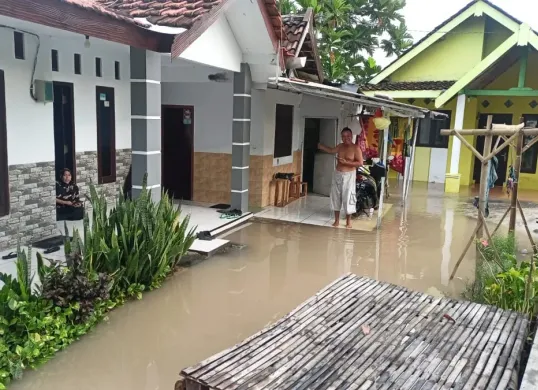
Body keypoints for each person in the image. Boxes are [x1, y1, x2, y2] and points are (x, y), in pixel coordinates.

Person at [318, 127, 364, 228]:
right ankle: (337, 221)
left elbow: (360, 163)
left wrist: (346, 162)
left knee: (348, 197)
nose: (346, 138)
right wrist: (321, 146)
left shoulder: (356, 148)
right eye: (343, 136)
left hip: (349, 175)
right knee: (336, 197)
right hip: (337, 174)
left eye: (348, 136)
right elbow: (331, 150)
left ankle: (348, 222)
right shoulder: (340, 146)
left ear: (351, 136)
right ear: (341, 137)